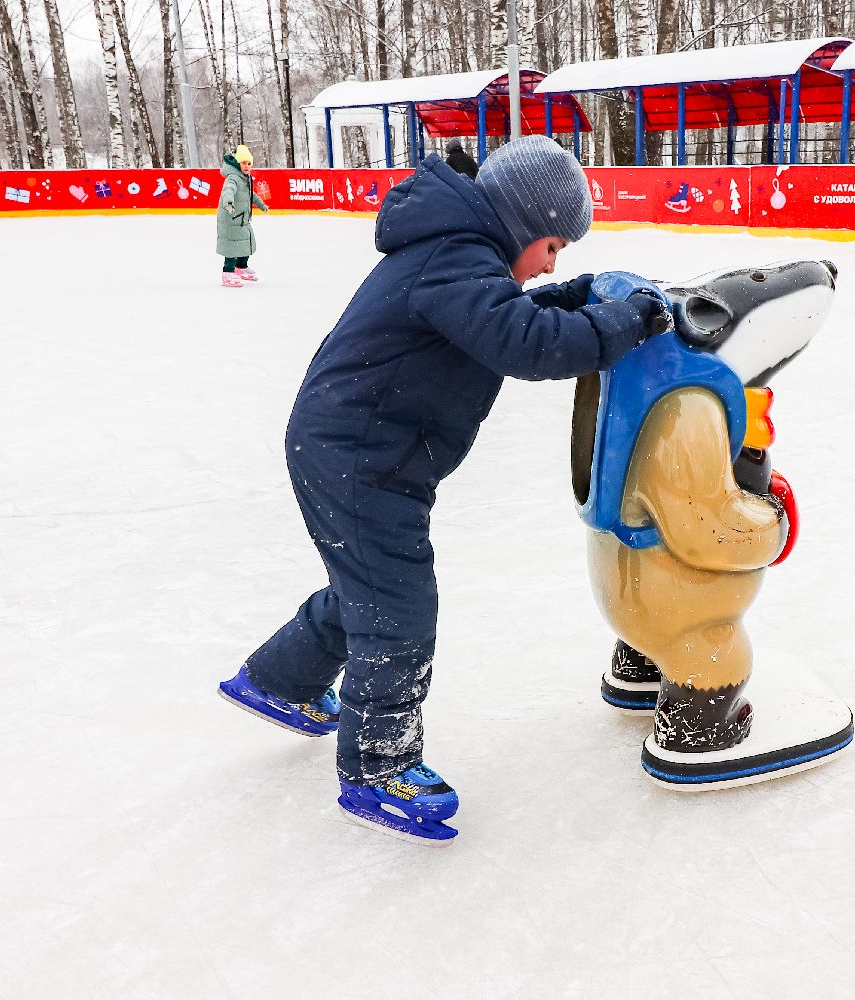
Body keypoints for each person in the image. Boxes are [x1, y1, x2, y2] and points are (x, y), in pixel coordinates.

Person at [217, 136, 671, 843]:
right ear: (523, 223)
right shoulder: (455, 256)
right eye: (553, 248)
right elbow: (528, 343)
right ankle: (378, 768)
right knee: (396, 606)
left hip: (366, 452)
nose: (551, 264)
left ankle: (279, 680)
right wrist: (628, 319)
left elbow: (506, 314)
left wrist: (576, 297)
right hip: (359, 457)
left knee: (371, 585)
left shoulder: (459, 253)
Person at [217, 144, 268, 287]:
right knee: (232, 246)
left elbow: (251, 194)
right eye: (243, 163)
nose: (246, 166)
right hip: (230, 216)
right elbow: (228, 190)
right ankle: (228, 272)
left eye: (249, 163)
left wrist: (261, 205)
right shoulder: (233, 177)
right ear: (238, 163)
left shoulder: (245, 178)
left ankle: (241, 266)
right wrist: (228, 202)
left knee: (246, 241)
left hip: (241, 217)